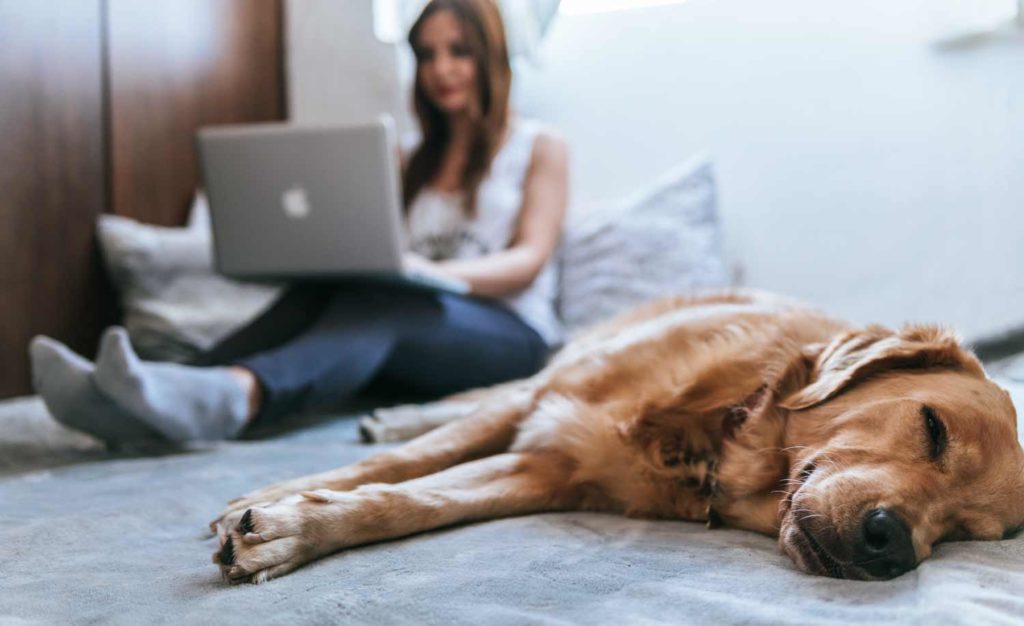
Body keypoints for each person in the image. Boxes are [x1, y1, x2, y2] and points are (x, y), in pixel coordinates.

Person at [29, 0, 568, 445]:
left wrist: (432, 271)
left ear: (490, 56)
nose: (440, 70)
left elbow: (529, 260)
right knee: (337, 287)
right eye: (427, 55)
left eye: (458, 52)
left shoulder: (539, 146)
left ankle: (236, 396)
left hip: (508, 335)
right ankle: (156, 392)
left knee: (386, 302)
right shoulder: (408, 158)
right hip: (415, 319)